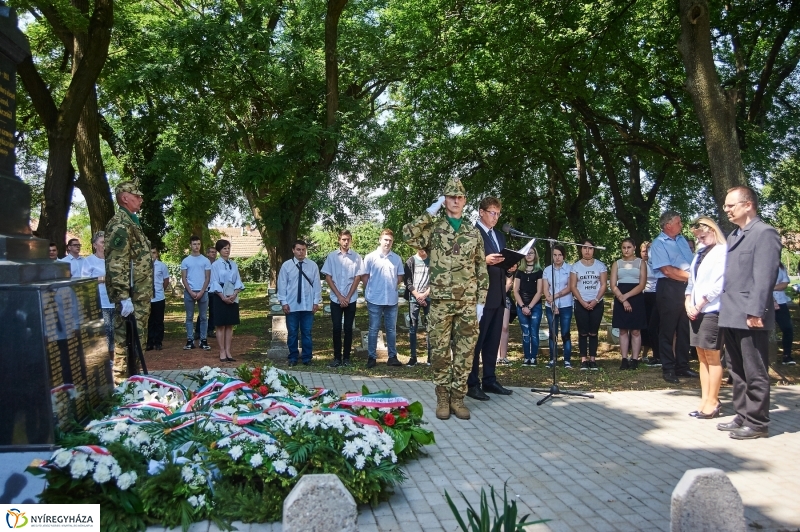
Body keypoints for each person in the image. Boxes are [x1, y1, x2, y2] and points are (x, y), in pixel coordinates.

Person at [402, 177, 488, 420]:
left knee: (465, 353)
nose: (456, 201)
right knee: (440, 352)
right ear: (445, 200)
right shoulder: (434, 229)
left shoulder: (473, 232)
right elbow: (408, 234)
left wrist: (480, 301)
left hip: (467, 302)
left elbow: (481, 268)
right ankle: (442, 397)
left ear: (465, 200)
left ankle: (458, 399)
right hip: (440, 302)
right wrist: (430, 211)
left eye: (459, 197)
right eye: (451, 197)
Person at [717, 186, 782, 439]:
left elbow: (764, 277)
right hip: (732, 313)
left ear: (748, 205)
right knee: (737, 370)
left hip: (750, 314)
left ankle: (757, 423)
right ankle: (742, 415)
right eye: (725, 205)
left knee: (755, 370)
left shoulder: (764, 233)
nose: (726, 209)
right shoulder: (735, 235)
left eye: (731, 205)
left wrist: (756, 311)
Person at [104, 181, 153, 384]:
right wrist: (123, 296)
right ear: (125, 198)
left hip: (139, 295)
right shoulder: (120, 225)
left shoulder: (132, 222)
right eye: (137, 196)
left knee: (137, 343)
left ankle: (134, 383)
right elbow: (117, 263)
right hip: (131, 296)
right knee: (124, 344)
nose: (141, 199)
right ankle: (121, 386)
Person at [467, 196, 515, 400]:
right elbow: (463, 263)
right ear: (481, 212)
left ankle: (489, 379)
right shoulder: (471, 233)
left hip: (498, 295)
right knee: (476, 342)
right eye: (492, 213)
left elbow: (502, 263)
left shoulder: (499, 236)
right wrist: (483, 260)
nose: (495, 217)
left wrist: (511, 267)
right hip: (480, 297)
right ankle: (471, 383)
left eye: (498, 214)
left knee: (492, 341)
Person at [684, 217, 727, 419]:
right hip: (695, 309)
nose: (699, 240)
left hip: (712, 309)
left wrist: (700, 304)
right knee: (701, 356)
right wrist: (687, 301)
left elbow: (719, 284)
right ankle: (705, 399)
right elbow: (691, 281)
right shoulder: (700, 252)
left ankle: (713, 401)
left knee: (712, 356)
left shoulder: (722, 251)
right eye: (697, 237)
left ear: (712, 230)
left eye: (702, 236)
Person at [649, 210, 698, 383]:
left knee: (684, 328)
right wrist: (695, 278)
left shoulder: (682, 239)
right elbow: (667, 270)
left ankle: (682, 366)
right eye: (679, 222)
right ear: (668, 225)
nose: (682, 225)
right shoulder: (658, 243)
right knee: (667, 330)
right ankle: (668, 368)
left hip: (687, 287)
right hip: (669, 287)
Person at [321, 230, 365, 367]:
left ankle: (346, 358)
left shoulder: (356, 257)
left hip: (350, 299)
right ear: (339, 240)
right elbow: (328, 277)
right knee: (336, 328)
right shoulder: (332, 256)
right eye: (343, 239)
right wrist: (340, 296)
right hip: (336, 299)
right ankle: (337, 358)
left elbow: (357, 278)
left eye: (348, 239)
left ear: (351, 240)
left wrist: (348, 297)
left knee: (348, 329)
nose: (346, 242)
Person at [362, 229, 405, 368]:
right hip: (375, 299)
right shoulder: (370, 257)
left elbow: (399, 277)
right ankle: (371, 357)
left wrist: (391, 286)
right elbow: (365, 277)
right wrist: (372, 290)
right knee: (373, 329)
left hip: (391, 300)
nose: (388, 242)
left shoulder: (396, 259)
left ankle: (392, 357)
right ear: (380, 240)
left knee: (391, 329)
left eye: (390, 240)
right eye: (385, 240)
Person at [277, 240, 322, 366]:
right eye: (298, 249)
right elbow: (282, 285)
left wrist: (316, 302)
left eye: (303, 250)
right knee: (292, 333)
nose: (301, 252)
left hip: (308, 305)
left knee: (307, 333)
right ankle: (293, 357)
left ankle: (307, 358)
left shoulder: (312, 265)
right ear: (293, 250)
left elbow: (317, 285)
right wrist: (284, 302)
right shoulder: (286, 266)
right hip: (292, 305)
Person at [610, 238, 647, 370]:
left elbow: (642, 284)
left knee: (636, 330)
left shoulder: (641, 263)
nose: (626, 250)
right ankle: (624, 359)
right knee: (623, 329)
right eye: (624, 247)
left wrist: (627, 296)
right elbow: (613, 285)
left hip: (636, 297)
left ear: (634, 248)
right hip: (620, 296)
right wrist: (623, 299)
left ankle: (635, 359)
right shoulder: (617, 263)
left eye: (629, 247)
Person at [570, 240, 607, 371]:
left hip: (597, 303)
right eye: (585, 248)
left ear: (593, 250)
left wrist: (596, 300)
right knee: (583, 332)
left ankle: (592, 359)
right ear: (581, 249)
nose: (587, 250)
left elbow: (603, 285)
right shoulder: (575, 267)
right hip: (581, 303)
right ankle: (583, 360)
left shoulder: (600, 266)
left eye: (590, 248)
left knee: (593, 332)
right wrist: (582, 301)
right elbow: (573, 286)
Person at [209, 239, 245, 363]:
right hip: (220, 297)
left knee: (230, 325)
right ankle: (222, 351)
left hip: (232, 296)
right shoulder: (215, 265)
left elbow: (238, 280)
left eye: (228, 248)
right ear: (219, 250)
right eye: (225, 248)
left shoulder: (233, 264)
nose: (227, 250)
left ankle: (228, 351)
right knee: (221, 325)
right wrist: (223, 297)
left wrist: (234, 294)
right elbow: (214, 282)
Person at [81, 231, 115, 354]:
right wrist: (102, 279)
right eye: (102, 242)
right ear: (95, 245)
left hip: (115, 301)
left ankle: (116, 359)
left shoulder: (113, 259)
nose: (105, 245)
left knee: (115, 333)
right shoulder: (89, 261)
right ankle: (107, 359)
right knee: (105, 333)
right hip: (100, 302)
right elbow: (84, 281)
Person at [543, 245, 573, 368]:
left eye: (560, 255)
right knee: (552, 333)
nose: (557, 257)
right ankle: (553, 359)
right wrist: (552, 303)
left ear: (563, 256)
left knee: (565, 333)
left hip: (566, 304)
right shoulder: (547, 270)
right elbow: (545, 289)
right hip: (550, 305)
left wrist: (555, 296)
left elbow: (570, 287)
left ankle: (567, 360)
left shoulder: (570, 269)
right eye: (555, 255)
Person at [181, 235, 212, 350]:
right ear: (190, 245)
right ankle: (190, 340)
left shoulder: (205, 260)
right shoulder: (186, 261)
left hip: (203, 291)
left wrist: (202, 291)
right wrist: (190, 291)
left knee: (203, 317)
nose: (196, 246)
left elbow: (207, 278)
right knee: (189, 317)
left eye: (198, 244)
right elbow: (184, 278)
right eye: (194, 244)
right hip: (189, 292)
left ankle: (203, 340)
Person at [514, 247, 544, 366]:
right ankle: (526, 357)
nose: (529, 255)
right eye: (527, 253)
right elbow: (515, 290)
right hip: (521, 306)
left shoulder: (539, 271)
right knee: (525, 333)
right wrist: (523, 306)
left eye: (531, 253)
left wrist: (530, 307)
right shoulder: (519, 271)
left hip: (535, 306)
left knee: (534, 332)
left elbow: (539, 292)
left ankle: (533, 357)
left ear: (535, 255)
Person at [404, 247, 432, 366]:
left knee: (430, 327)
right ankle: (413, 357)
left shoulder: (433, 260)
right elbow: (407, 282)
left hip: (428, 298)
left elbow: (435, 280)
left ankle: (430, 357)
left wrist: (424, 295)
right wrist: (418, 296)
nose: (422, 249)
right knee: (413, 327)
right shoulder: (410, 261)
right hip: (414, 298)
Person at [640, 241, 661, 366]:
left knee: (655, 327)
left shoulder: (658, 264)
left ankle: (658, 355)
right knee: (646, 327)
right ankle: (647, 354)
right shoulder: (640, 265)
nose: (647, 253)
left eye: (649, 250)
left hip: (657, 295)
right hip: (644, 295)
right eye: (644, 251)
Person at [147, 248, 170, 351]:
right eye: (150, 253)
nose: (152, 255)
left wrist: (161, 290)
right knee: (149, 321)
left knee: (159, 321)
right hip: (147, 298)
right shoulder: (144, 266)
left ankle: (158, 342)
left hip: (159, 297)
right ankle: (149, 342)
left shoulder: (162, 266)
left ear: (157, 254)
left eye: (154, 252)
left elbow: (166, 280)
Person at [774, 263, 795, 365]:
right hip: (764, 302)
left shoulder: (781, 267)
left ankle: (787, 356)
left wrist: (771, 287)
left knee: (788, 329)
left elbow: (785, 284)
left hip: (781, 302)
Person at [196, 246, 218, 339]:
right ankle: (198, 331)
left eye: (215, 252)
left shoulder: (217, 264)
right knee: (202, 311)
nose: (213, 253)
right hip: (205, 289)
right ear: (207, 253)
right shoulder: (204, 263)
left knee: (213, 311)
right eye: (211, 252)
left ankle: (210, 330)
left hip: (215, 290)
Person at [496, 276, 515, 365]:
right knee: (495, 328)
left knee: (504, 327)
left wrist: (500, 295)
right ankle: (495, 356)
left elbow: (509, 283)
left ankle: (503, 357)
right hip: (491, 298)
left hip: (505, 298)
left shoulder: (508, 269)